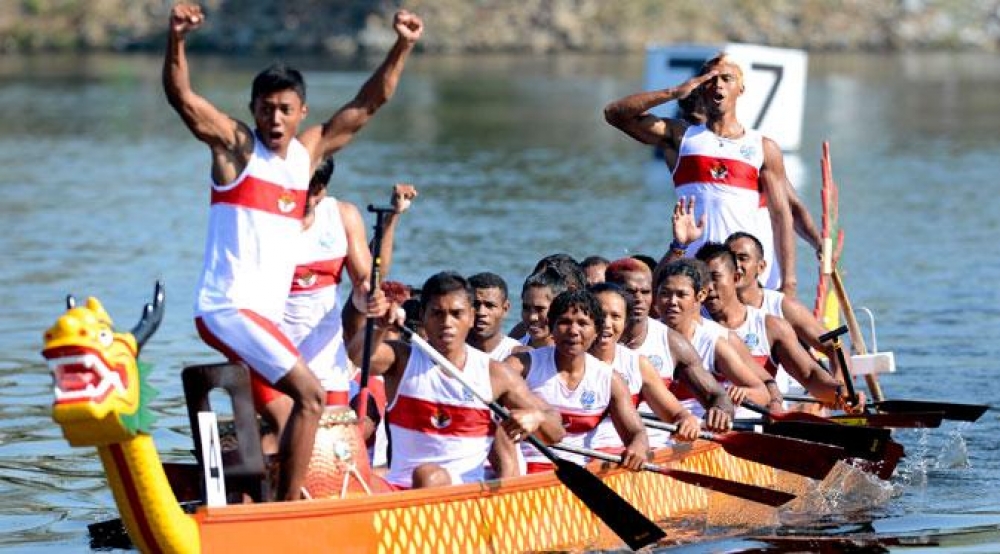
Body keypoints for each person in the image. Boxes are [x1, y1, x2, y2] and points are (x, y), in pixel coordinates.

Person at [164, 2, 423, 501]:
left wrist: (403, 45)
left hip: (259, 320)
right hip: (228, 308)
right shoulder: (237, 149)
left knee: (291, 410)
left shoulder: (307, 155)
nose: (275, 118)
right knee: (310, 396)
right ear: (253, 109)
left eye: (285, 109)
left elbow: (371, 103)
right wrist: (176, 38)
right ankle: (287, 512)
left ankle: (262, 495)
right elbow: (182, 97)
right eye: (266, 108)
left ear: (301, 111)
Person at [348, 272, 565, 489]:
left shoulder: (494, 374)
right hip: (400, 490)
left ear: (471, 316)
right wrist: (378, 326)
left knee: (429, 476)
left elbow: (556, 431)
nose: (446, 323)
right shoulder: (402, 360)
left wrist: (536, 417)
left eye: (456, 314)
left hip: (461, 498)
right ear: (423, 315)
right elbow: (357, 356)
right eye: (437, 313)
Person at [604, 53, 797, 295]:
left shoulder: (763, 147)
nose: (718, 85)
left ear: (741, 89)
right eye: (710, 79)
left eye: (727, 78)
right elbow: (614, 113)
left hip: (744, 275)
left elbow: (782, 217)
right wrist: (674, 92)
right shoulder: (681, 136)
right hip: (695, 276)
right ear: (701, 87)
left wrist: (789, 283)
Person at [696, 243, 858, 409]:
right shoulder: (691, 326)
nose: (708, 287)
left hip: (763, 423)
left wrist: (839, 392)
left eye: (714, 278)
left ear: (735, 278)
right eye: (702, 280)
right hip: (704, 425)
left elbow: (808, 374)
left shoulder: (772, 326)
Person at [503, 290, 649, 473]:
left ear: (597, 330)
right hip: (524, 473)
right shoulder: (521, 366)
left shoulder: (610, 380)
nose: (573, 331)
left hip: (581, 475)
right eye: (564, 322)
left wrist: (638, 447)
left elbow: (638, 433)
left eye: (582, 323)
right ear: (551, 327)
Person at [604, 258, 735, 433]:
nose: (639, 299)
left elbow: (716, 396)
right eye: (630, 292)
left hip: (661, 445)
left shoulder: (671, 342)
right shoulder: (586, 340)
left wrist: (720, 411)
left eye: (645, 292)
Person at [725, 231, 850, 385]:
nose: (736, 265)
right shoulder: (710, 308)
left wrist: (840, 385)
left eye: (743, 258)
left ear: (761, 267)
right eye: (731, 259)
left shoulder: (783, 306)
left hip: (780, 400)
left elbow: (834, 346)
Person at [586, 283, 701, 450]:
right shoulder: (565, 360)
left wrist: (687, 422)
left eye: (616, 317)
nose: (606, 324)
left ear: (625, 322)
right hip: (575, 460)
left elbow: (678, 414)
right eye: (600, 315)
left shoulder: (638, 364)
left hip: (625, 459)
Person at [653, 258, 771, 417]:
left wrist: (742, 394)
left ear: (700, 296)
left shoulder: (713, 342)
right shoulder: (645, 336)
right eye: (665, 294)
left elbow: (762, 392)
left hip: (702, 429)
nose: (672, 302)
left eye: (681, 295)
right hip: (657, 429)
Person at [467, 272, 522, 361]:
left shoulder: (520, 355)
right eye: (475, 304)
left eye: (489, 305)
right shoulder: (444, 350)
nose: (481, 312)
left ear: (505, 309)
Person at [513, 268, 569, 350]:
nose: (532, 317)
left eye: (540, 309)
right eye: (526, 308)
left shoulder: (575, 358)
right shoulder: (511, 351)